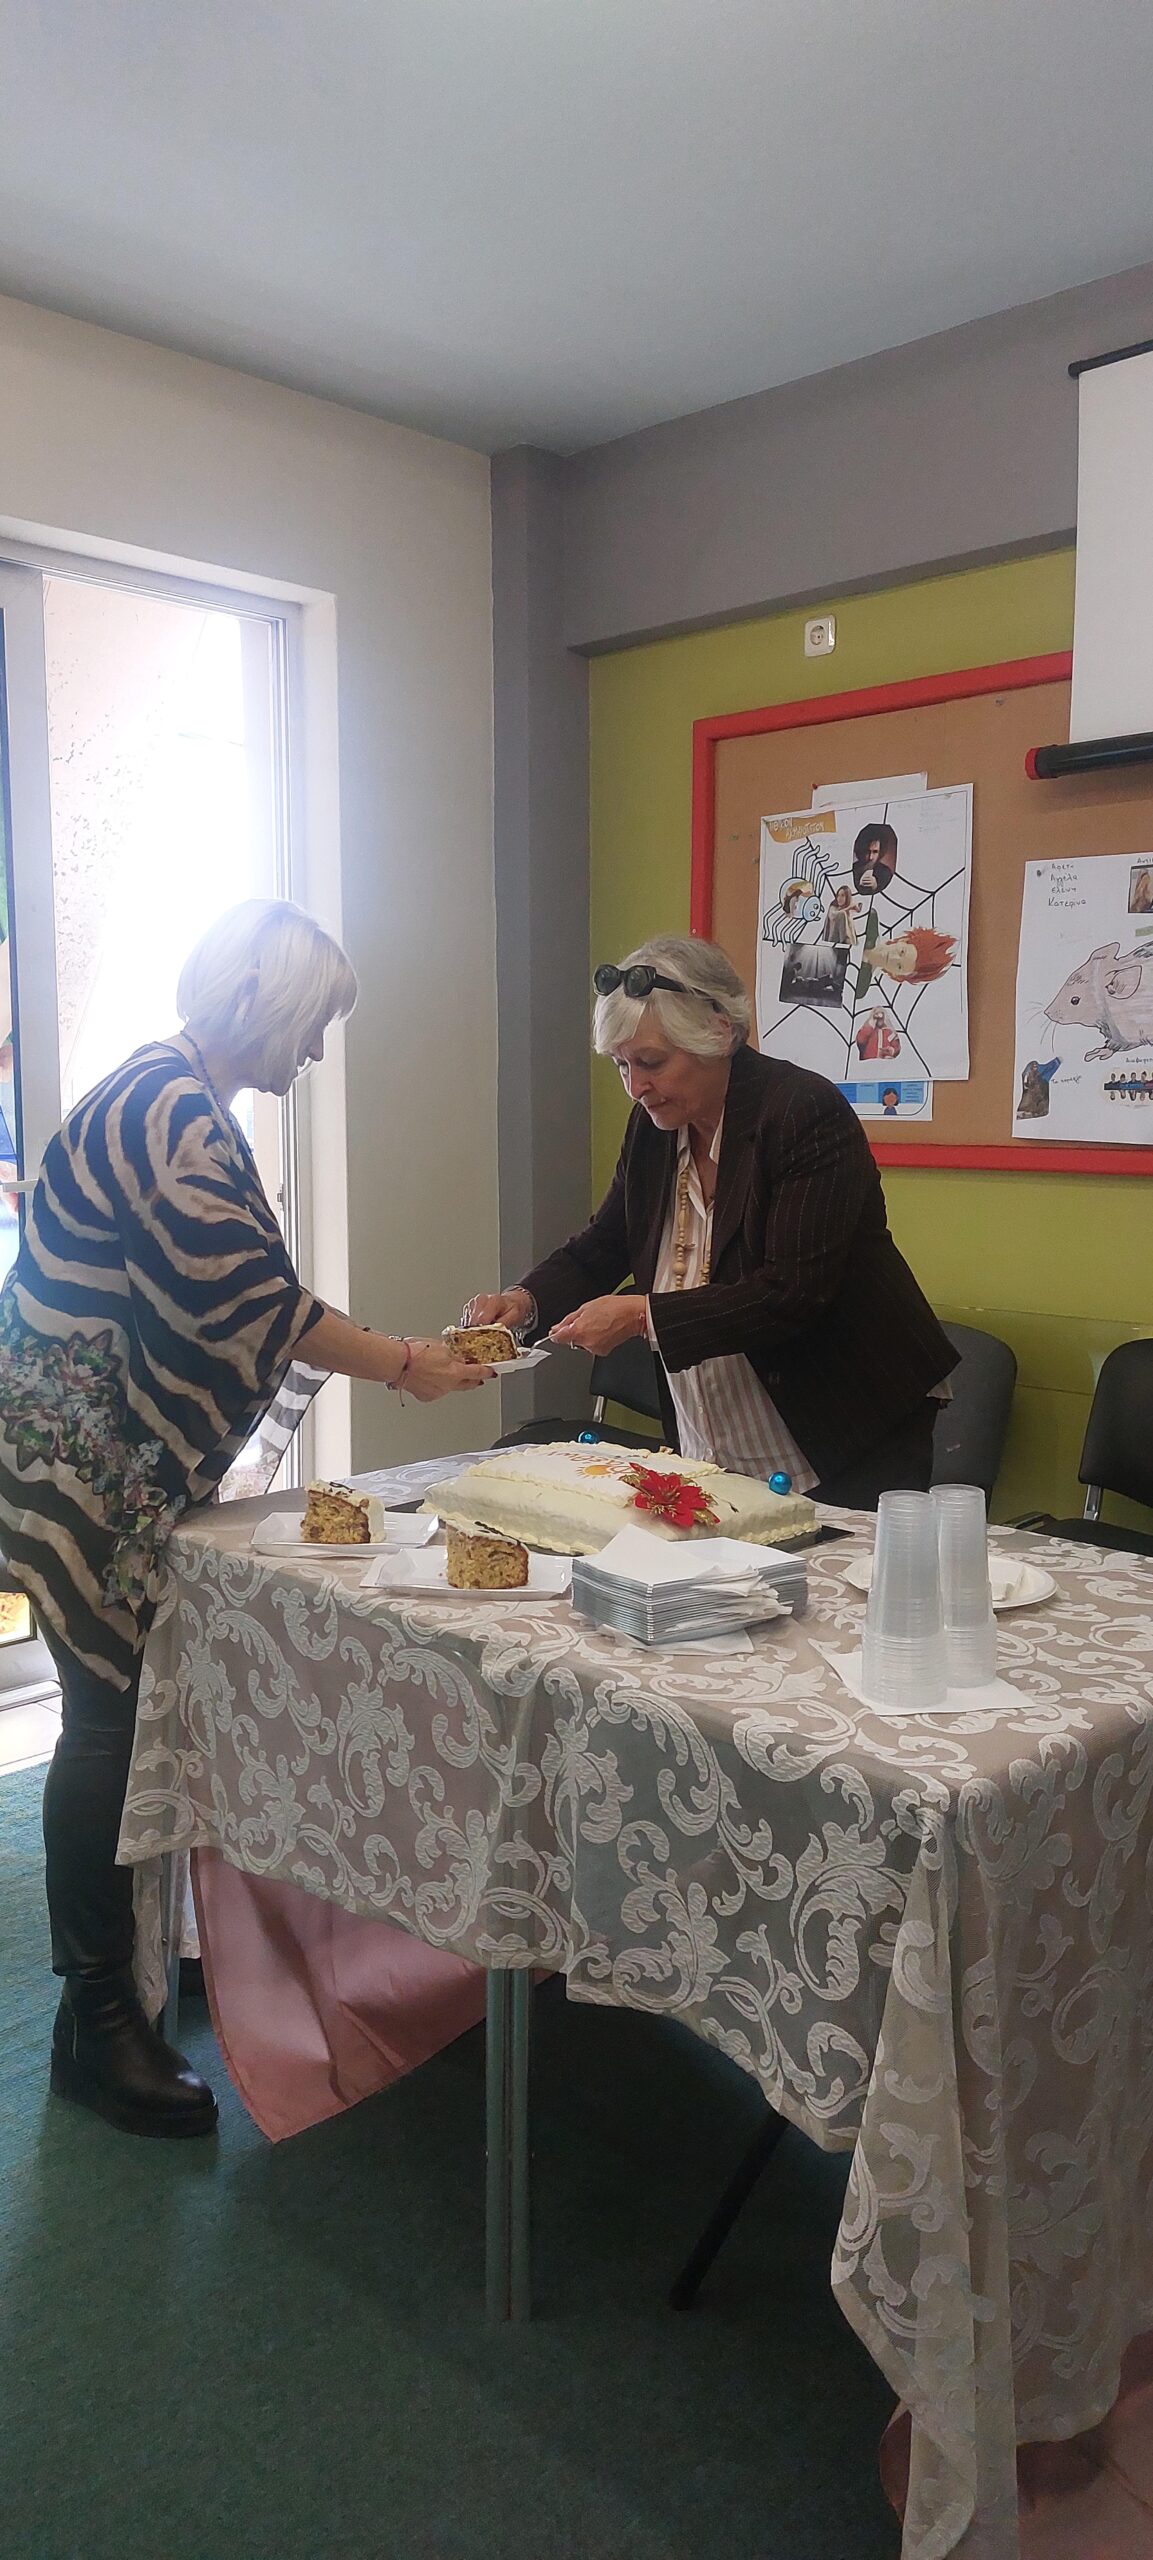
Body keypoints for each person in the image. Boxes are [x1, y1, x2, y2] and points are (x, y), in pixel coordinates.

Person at [0, 899, 489, 2139]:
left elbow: (235, 1298)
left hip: (75, 1452)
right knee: (106, 1724)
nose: (315, 1050)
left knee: (114, 1719)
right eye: (313, 1024)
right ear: (259, 1003)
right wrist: (407, 1364)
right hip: (85, 1472)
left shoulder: (166, 1091)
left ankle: (117, 1989)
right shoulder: (171, 1111)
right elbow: (252, 1301)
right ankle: (96, 2019)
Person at [465, 935, 956, 1508]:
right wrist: (525, 1301)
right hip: (719, 1431)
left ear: (718, 1033)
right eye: (622, 1065)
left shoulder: (802, 1113)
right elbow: (607, 1242)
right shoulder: (653, 1125)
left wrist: (643, 1315)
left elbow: (792, 1293)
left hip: (847, 1419)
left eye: (651, 1063)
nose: (635, 1087)